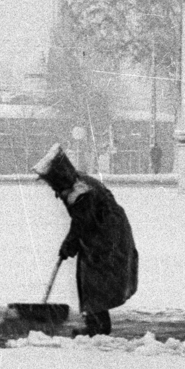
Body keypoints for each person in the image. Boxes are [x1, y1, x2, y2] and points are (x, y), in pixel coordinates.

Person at [33, 143, 139, 336]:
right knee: (90, 276)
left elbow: (83, 223)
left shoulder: (80, 192)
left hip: (107, 238)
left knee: (93, 279)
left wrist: (68, 246)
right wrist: (71, 244)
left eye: (50, 181)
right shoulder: (78, 183)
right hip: (105, 234)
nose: (50, 186)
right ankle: (95, 323)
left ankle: (97, 327)